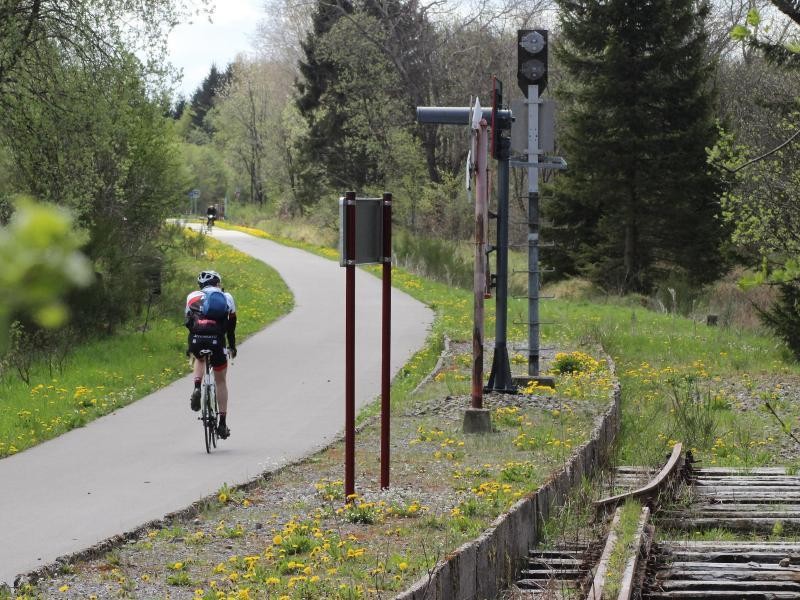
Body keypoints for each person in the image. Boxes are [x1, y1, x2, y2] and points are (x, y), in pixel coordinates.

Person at [185, 270, 237, 439]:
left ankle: (197, 387)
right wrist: (232, 346)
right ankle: (222, 423)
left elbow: (188, 322)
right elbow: (231, 325)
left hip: (197, 338)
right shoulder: (226, 297)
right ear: (217, 283)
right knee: (221, 381)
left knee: (199, 358)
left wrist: (190, 346)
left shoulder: (192, 296)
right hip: (216, 340)